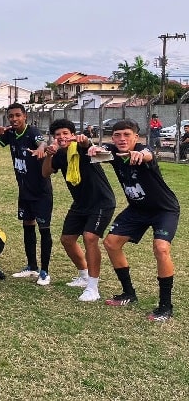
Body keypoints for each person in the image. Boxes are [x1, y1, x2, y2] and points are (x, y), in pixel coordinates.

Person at [88, 119, 180, 321]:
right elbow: (99, 148)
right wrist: (92, 148)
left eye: (127, 135)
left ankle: (166, 306)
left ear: (136, 137)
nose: (122, 139)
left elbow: (148, 154)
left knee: (161, 248)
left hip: (164, 209)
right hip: (137, 209)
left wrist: (141, 155)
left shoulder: (142, 150)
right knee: (111, 243)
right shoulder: (111, 151)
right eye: (118, 135)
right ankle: (129, 293)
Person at [42, 119, 115, 302]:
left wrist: (85, 142)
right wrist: (49, 155)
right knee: (67, 240)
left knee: (90, 238)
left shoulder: (80, 147)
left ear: (72, 135)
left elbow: (93, 149)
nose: (62, 137)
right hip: (80, 204)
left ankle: (93, 288)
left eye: (65, 133)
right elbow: (45, 173)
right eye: (58, 135)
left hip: (101, 202)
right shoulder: (59, 154)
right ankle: (83, 276)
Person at [0, 103, 53, 285]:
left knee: (44, 229)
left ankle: (45, 271)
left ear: (25, 117)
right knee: (27, 224)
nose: (14, 119)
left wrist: (41, 149)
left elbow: (42, 142)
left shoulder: (32, 132)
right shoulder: (10, 133)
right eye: (11, 116)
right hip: (24, 191)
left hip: (41, 191)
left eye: (17, 116)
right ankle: (31, 266)